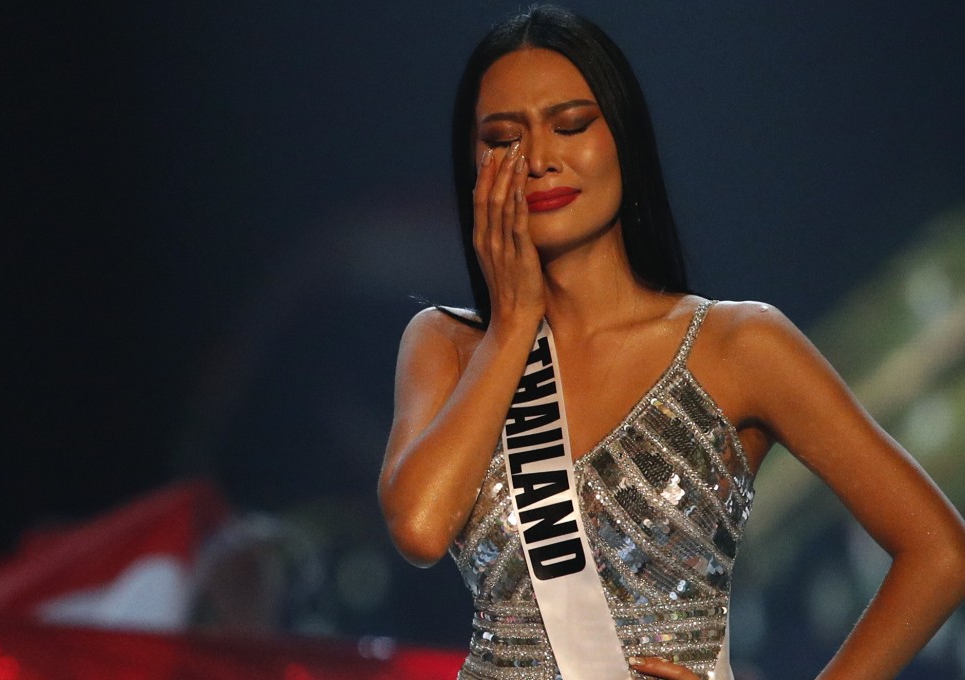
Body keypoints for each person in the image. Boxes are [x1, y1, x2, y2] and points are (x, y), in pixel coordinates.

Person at [378, 6, 965, 679]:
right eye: (504, 139)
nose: (539, 160)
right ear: (474, 168)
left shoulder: (739, 344)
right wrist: (513, 328)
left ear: (624, 138)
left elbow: (940, 552)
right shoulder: (447, 344)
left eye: (571, 125)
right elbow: (420, 528)